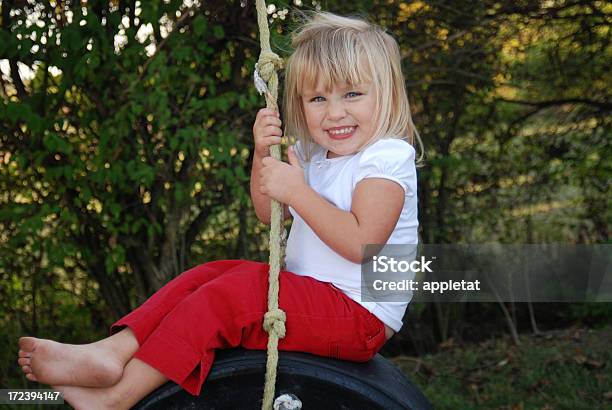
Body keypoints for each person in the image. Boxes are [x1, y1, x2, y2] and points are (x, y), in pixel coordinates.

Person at [17, 11, 421, 409]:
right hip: (317, 299)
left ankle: (120, 397)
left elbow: (359, 243)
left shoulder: (385, 156)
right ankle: (115, 350)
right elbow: (269, 214)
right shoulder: (314, 154)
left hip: (360, 315)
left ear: (385, 94)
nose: (334, 112)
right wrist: (263, 155)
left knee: (235, 297)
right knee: (210, 275)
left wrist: (297, 191)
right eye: (318, 98)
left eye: (352, 94)